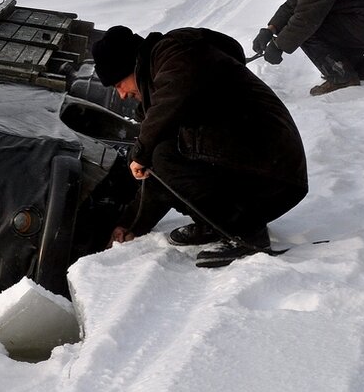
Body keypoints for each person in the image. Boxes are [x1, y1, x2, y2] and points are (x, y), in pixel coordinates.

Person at [90, 25, 308, 268]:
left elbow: (173, 99)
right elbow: (157, 178)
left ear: (131, 66)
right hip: (262, 172)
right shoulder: (159, 83)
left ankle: (245, 233)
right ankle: (216, 226)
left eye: (119, 84)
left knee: (163, 154)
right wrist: (131, 224)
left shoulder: (175, 52)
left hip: (273, 168)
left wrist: (142, 151)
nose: (121, 95)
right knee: (161, 155)